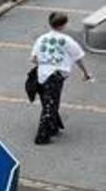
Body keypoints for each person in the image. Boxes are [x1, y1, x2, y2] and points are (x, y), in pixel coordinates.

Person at [30, 12, 92, 145]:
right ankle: (42, 135)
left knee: (49, 101)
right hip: (57, 74)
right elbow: (78, 58)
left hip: (42, 74)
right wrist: (85, 73)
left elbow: (34, 58)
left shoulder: (41, 39)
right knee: (51, 104)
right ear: (63, 25)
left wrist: (45, 62)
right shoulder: (67, 40)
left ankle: (53, 126)